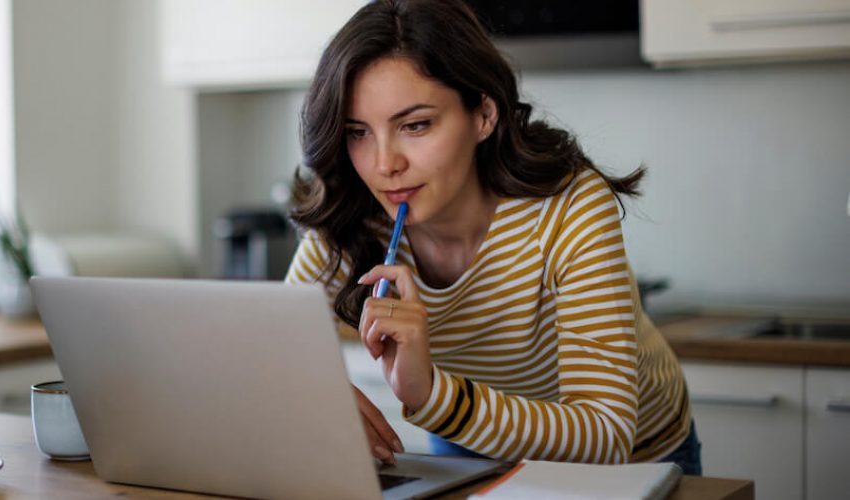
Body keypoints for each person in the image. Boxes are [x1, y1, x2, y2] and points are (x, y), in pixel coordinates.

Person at [284, 0, 701, 475]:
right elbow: (268, 352)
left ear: (483, 115)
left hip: (633, 460)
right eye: (358, 132)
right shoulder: (352, 215)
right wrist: (319, 397)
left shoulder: (568, 205)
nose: (384, 165)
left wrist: (432, 396)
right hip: (471, 445)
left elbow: (607, 433)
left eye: (415, 125)